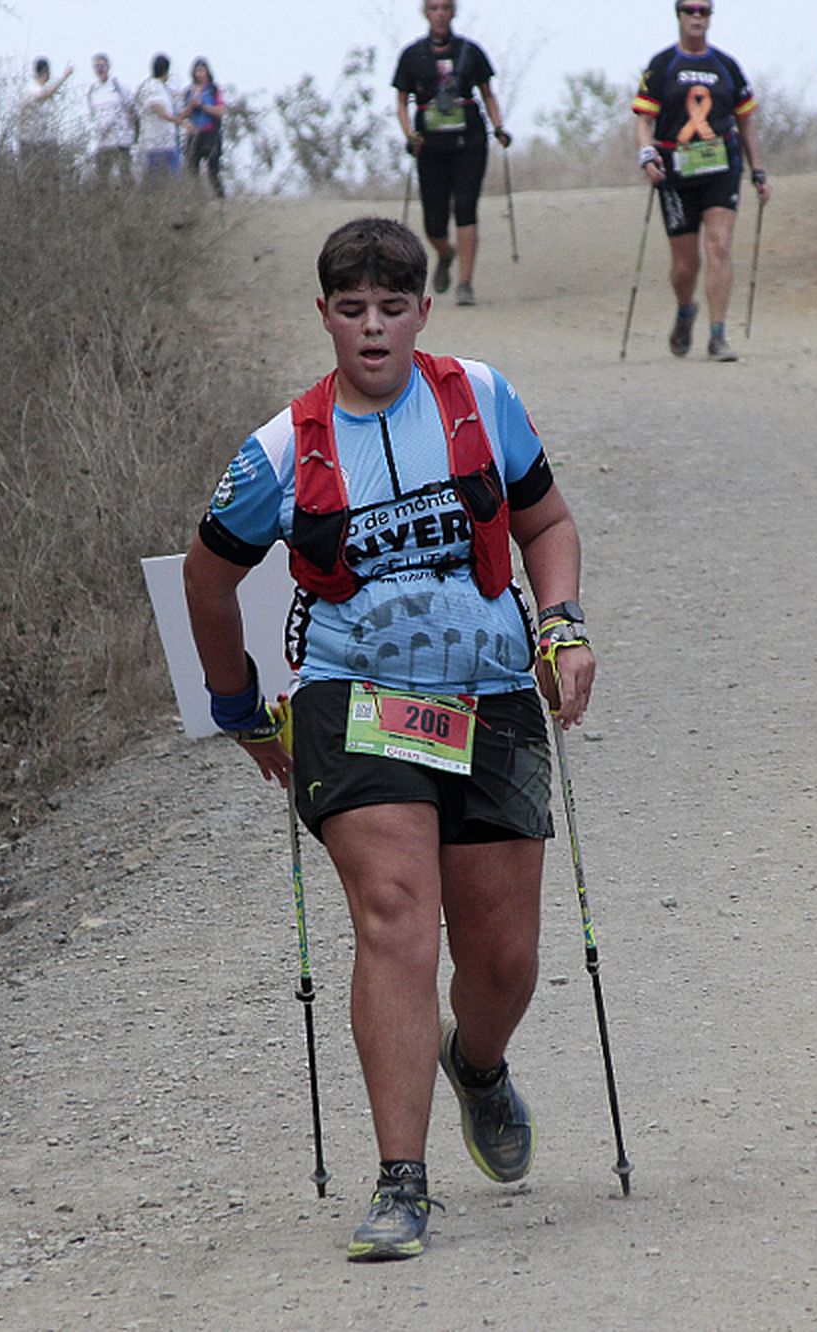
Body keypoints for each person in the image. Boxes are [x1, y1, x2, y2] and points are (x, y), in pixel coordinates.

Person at [182, 217, 595, 1262]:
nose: (372, 329)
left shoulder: (480, 399)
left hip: (494, 694)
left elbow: (546, 525)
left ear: (422, 310)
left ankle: (481, 1063)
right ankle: (401, 1181)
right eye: (352, 310)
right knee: (396, 915)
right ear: (323, 315)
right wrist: (237, 708)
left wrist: (561, 625)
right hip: (350, 699)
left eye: (392, 307)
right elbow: (206, 575)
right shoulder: (282, 447)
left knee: (503, 959)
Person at [633, 1, 772, 362]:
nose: (697, 17)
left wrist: (758, 170)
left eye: (704, 11)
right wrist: (647, 155)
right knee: (684, 265)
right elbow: (644, 120)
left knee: (719, 245)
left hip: (721, 168)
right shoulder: (663, 65)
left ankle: (718, 335)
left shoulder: (726, 66)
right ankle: (685, 311)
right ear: (678, 16)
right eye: (689, 10)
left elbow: (746, 123)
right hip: (675, 172)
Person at [393, 0, 512, 308]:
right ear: (426, 13)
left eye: (445, 8)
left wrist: (499, 127)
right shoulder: (412, 55)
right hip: (429, 147)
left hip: (469, 141)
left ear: (453, 12)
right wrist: (410, 135)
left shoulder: (470, 52)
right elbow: (401, 101)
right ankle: (446, 253)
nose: (440, 14)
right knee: (434, 222)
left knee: (465, 206)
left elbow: (487, 93)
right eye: (434, 8)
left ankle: (465, 284)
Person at [15, 56, 72, 181]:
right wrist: (64, 77)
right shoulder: (30, 89)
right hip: (30, 143)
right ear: (46, 72)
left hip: (46, 142)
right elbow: (44, 95)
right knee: (32, 178)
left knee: (50, 178)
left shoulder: (41, 90)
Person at [86, 52, 138, 185]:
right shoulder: (93, 90)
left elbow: (132, 108)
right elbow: (92, 114)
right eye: (96, 66)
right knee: (101, 179)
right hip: (103, 141)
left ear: (108, 67)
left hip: (121, 140)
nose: (100, 69)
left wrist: (133, 132)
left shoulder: (119, 86)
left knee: (125, 175)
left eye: (102, 65)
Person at [182, 58, 226, 198]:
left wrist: (202, 105)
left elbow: (221, 111)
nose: (199, 74)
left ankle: (220, 198)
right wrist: (191, 105)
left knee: (213, 169)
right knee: (192, 169)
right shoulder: (188, 91)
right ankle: (197, 198)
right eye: (197, 71)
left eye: (202, 70)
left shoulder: (214, 90)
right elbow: (182, 115)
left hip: (210, 133)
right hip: (194, 134)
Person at [137, 54, 185, 179]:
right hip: (155, 143)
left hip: (168, 141)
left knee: (176, 177)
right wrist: (179, 121)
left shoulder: (163, 89)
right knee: (158, 179)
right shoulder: (151, 87)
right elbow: (159, 111)